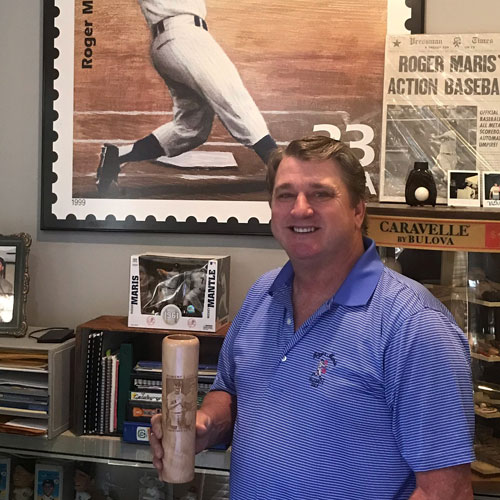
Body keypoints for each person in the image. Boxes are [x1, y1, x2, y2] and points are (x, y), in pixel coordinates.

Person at [150, 135, 475, 499]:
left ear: (358, 210)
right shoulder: (263, 294)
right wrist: (205, 425)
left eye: (321, 194)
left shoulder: (414, 325)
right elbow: (230, 392)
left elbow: (446, 492)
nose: (300, 209)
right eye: (285, 194)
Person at [96, 0, 277, 195]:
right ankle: (279, 165)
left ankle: (117, 156)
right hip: (185, 38)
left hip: (173, 41)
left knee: (191, 128)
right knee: (231, 95)